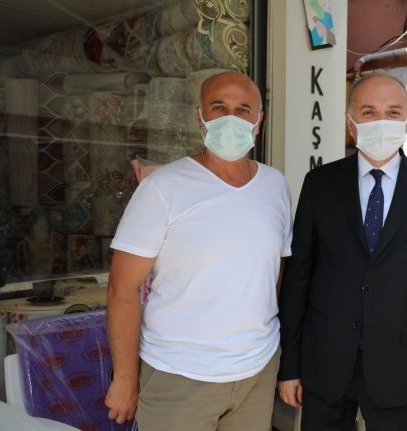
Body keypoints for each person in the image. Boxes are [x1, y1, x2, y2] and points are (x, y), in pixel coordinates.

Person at [277, 74, 407, 431]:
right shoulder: (319, 185)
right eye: (369, 112)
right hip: (325, 364)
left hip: (403, 369)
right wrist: (290, 368)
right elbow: (298, 279)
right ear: (350, 122)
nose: (382, 121)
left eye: (393, 112)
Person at [104, 71, 292, 431]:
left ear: (259, 120)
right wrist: (125, 379)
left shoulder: (275, 185)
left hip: (257, 371)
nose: (231, 119)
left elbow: (274, 274)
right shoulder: (163, 187)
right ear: (200, 116)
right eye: (218, 107)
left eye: (243, 109)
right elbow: (122, 287)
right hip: (179, 376)